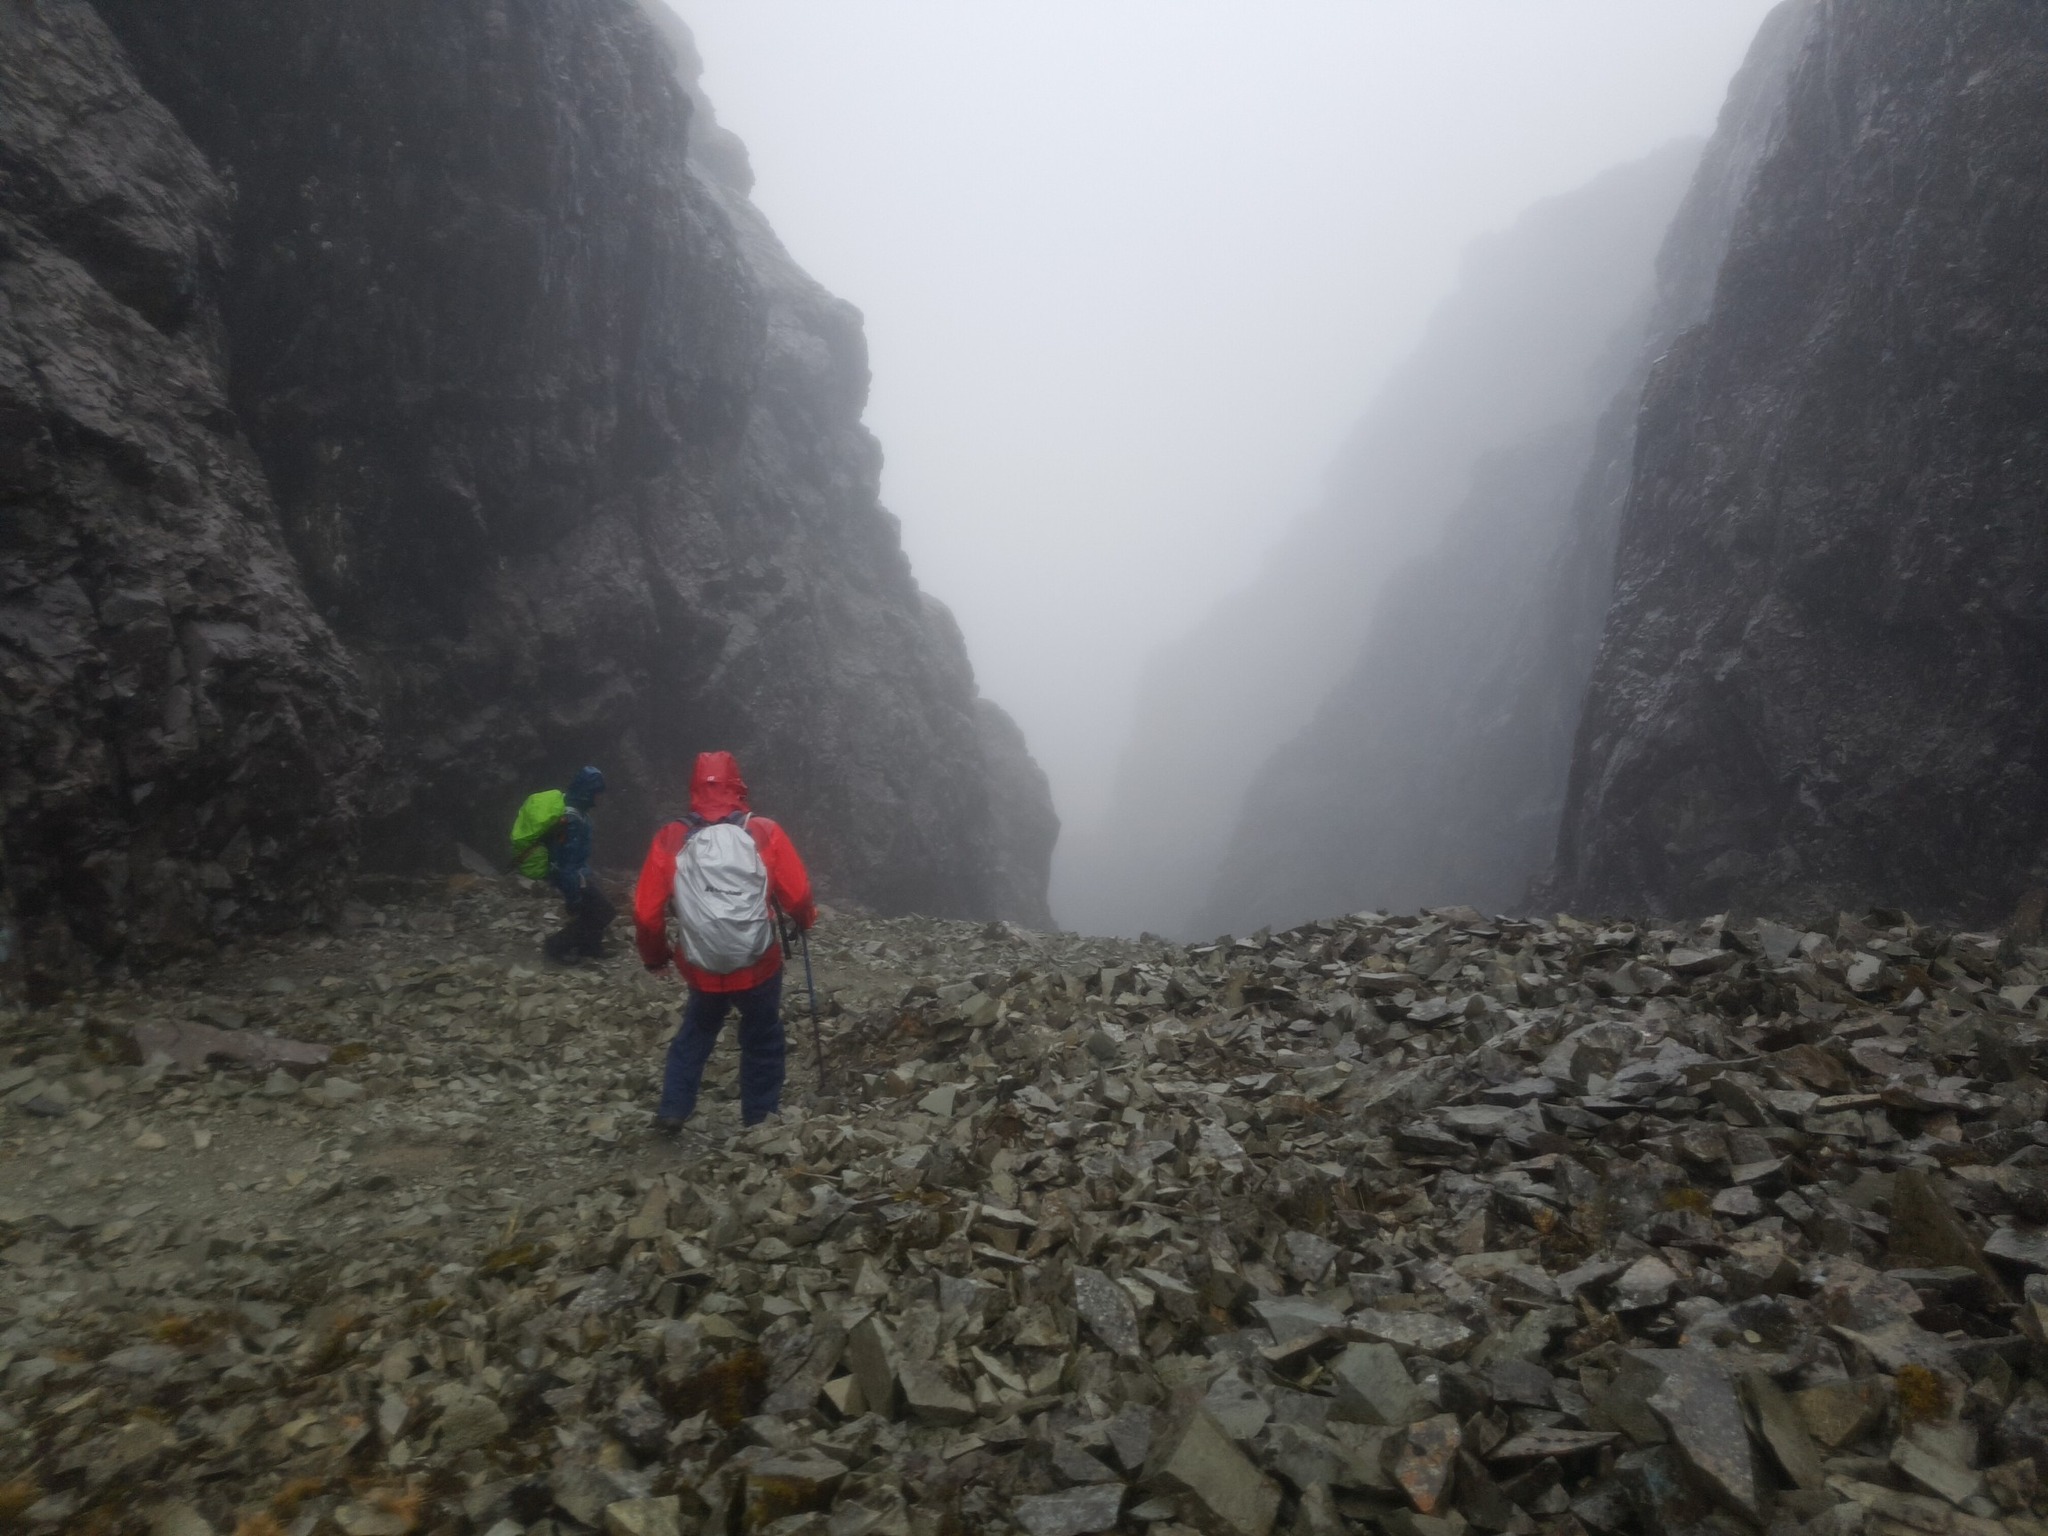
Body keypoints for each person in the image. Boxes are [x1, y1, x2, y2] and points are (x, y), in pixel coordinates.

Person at [633, 751, 814, 1133]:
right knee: (763, 1035)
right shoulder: (763, 831)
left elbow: (646, 914)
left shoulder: (671, 837)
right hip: (757, 962)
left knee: (696, 1031)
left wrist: (656, 957)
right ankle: (759, 1120)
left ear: (694, 788)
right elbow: (797, 896)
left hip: (702, 964)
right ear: (738, 785)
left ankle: (673, 1108)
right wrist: (804, 920)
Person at [541, 766, 615, 963]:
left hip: (578, 873)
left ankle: (590, 948)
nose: (600, 797)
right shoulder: (572, 820)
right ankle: (556, 946)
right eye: (597, 793)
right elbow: (568, 861)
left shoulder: (579, 813)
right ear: (588, 793)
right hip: (572, 876)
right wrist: (573, 896)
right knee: (604, 911)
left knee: (594, 909)